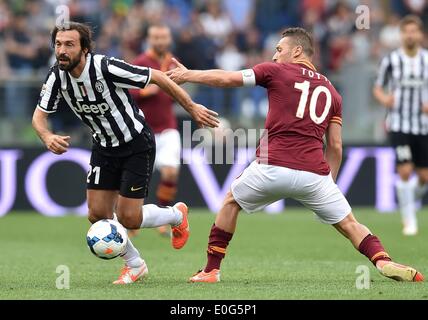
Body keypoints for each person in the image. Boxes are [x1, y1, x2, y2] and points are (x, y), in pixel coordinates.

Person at [167, 27, 424, 283]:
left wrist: (189, 74)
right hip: (314, 175)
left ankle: (211, 270)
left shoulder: (274, 70)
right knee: (349, 223)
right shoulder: (333, 92)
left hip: (272, 166)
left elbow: (227, 79)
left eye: (280, 49)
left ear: (297, 50)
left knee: (231, 202)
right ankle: (382, 260)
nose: (276, 55)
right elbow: (335, 146)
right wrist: (329, 183)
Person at [32, 22, 219, 284]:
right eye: (58, 44)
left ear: (85, 49)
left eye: (69, 44)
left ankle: (177, 215)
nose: (62, 50)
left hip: (135, 143)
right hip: (103, 147)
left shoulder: (106, 67)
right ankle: (135, 265)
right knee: (97, 214)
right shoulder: (56, 76)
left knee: (130, 217)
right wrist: (46, 135)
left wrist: (192, 107)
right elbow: (39, 116)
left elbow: (159, 77)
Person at [373, 15, 428, 236]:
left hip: (423, 126)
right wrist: (385, 99)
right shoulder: (391, 60)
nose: (410, 35)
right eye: (406, 31)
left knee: (424, 177)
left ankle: (404, 199)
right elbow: (377, 87)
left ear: (421, 34)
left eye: (414, 31)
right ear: (401, 35)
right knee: (405, 170)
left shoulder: (427, 60)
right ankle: (409, 220)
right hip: (399, 124)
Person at [128, 24, 180, 238]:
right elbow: (131, 93)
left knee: (170, 173)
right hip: (143, 129)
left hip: (167, 126)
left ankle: (162, 219)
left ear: (169, 38)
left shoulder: (172, 61)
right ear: (150, 39)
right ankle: (131, 221)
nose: (160, 41)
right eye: (156, 37)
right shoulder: (140, 63)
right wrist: (155, 86)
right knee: (138, 178)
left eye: (164, 37)